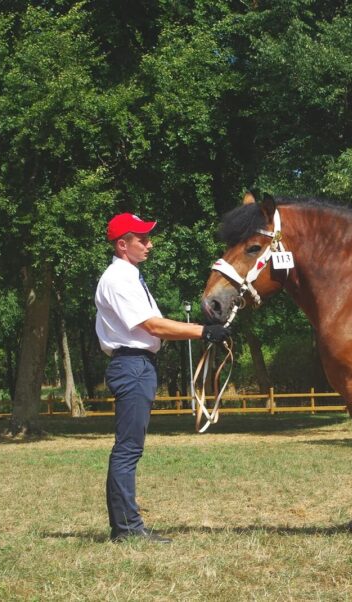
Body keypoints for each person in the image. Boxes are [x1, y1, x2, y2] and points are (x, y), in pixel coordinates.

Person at [95, 212, 230, 543]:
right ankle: (126, 529)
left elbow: (155, 325)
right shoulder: (118, 280)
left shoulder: (130, 278)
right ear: (122, 244)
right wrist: (204, 332)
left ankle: (126, 526)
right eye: (142, 239)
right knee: (128, 449)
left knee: (130, 448)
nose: (149, 244)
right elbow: (153, 326)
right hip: (132, 366)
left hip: (138, 365)